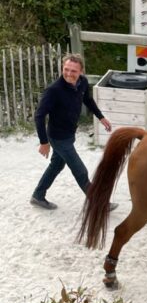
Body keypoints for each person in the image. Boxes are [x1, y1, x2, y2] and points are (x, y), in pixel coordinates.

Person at [31, 53, 117, 211]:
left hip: (69, 134)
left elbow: (87, 100)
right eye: (66, 69)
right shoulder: (54, 90)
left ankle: (38, 195)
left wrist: (100, 117)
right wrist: (44, 142)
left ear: (81, 72)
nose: (69, 74)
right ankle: (98, 202)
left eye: (73, 71)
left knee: (56, 165)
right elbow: (39, 115)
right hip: (57, 137)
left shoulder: (82, 83)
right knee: (80, 170)